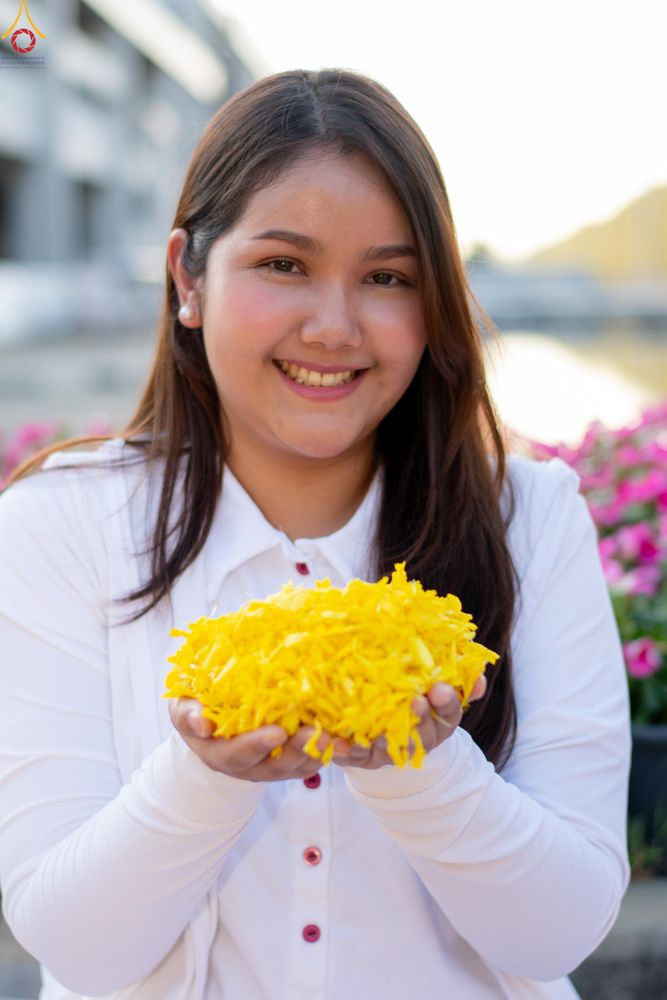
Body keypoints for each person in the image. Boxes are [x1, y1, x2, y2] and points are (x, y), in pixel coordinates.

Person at [0, 68, 630, 1000]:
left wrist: (418, 764)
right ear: (188, 278)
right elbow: (76, 948)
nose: (334, 327)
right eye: (283, 265)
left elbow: (560, 932)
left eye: (386, 278)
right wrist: (208, 774)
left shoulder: (528, 516)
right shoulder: (60, 523)